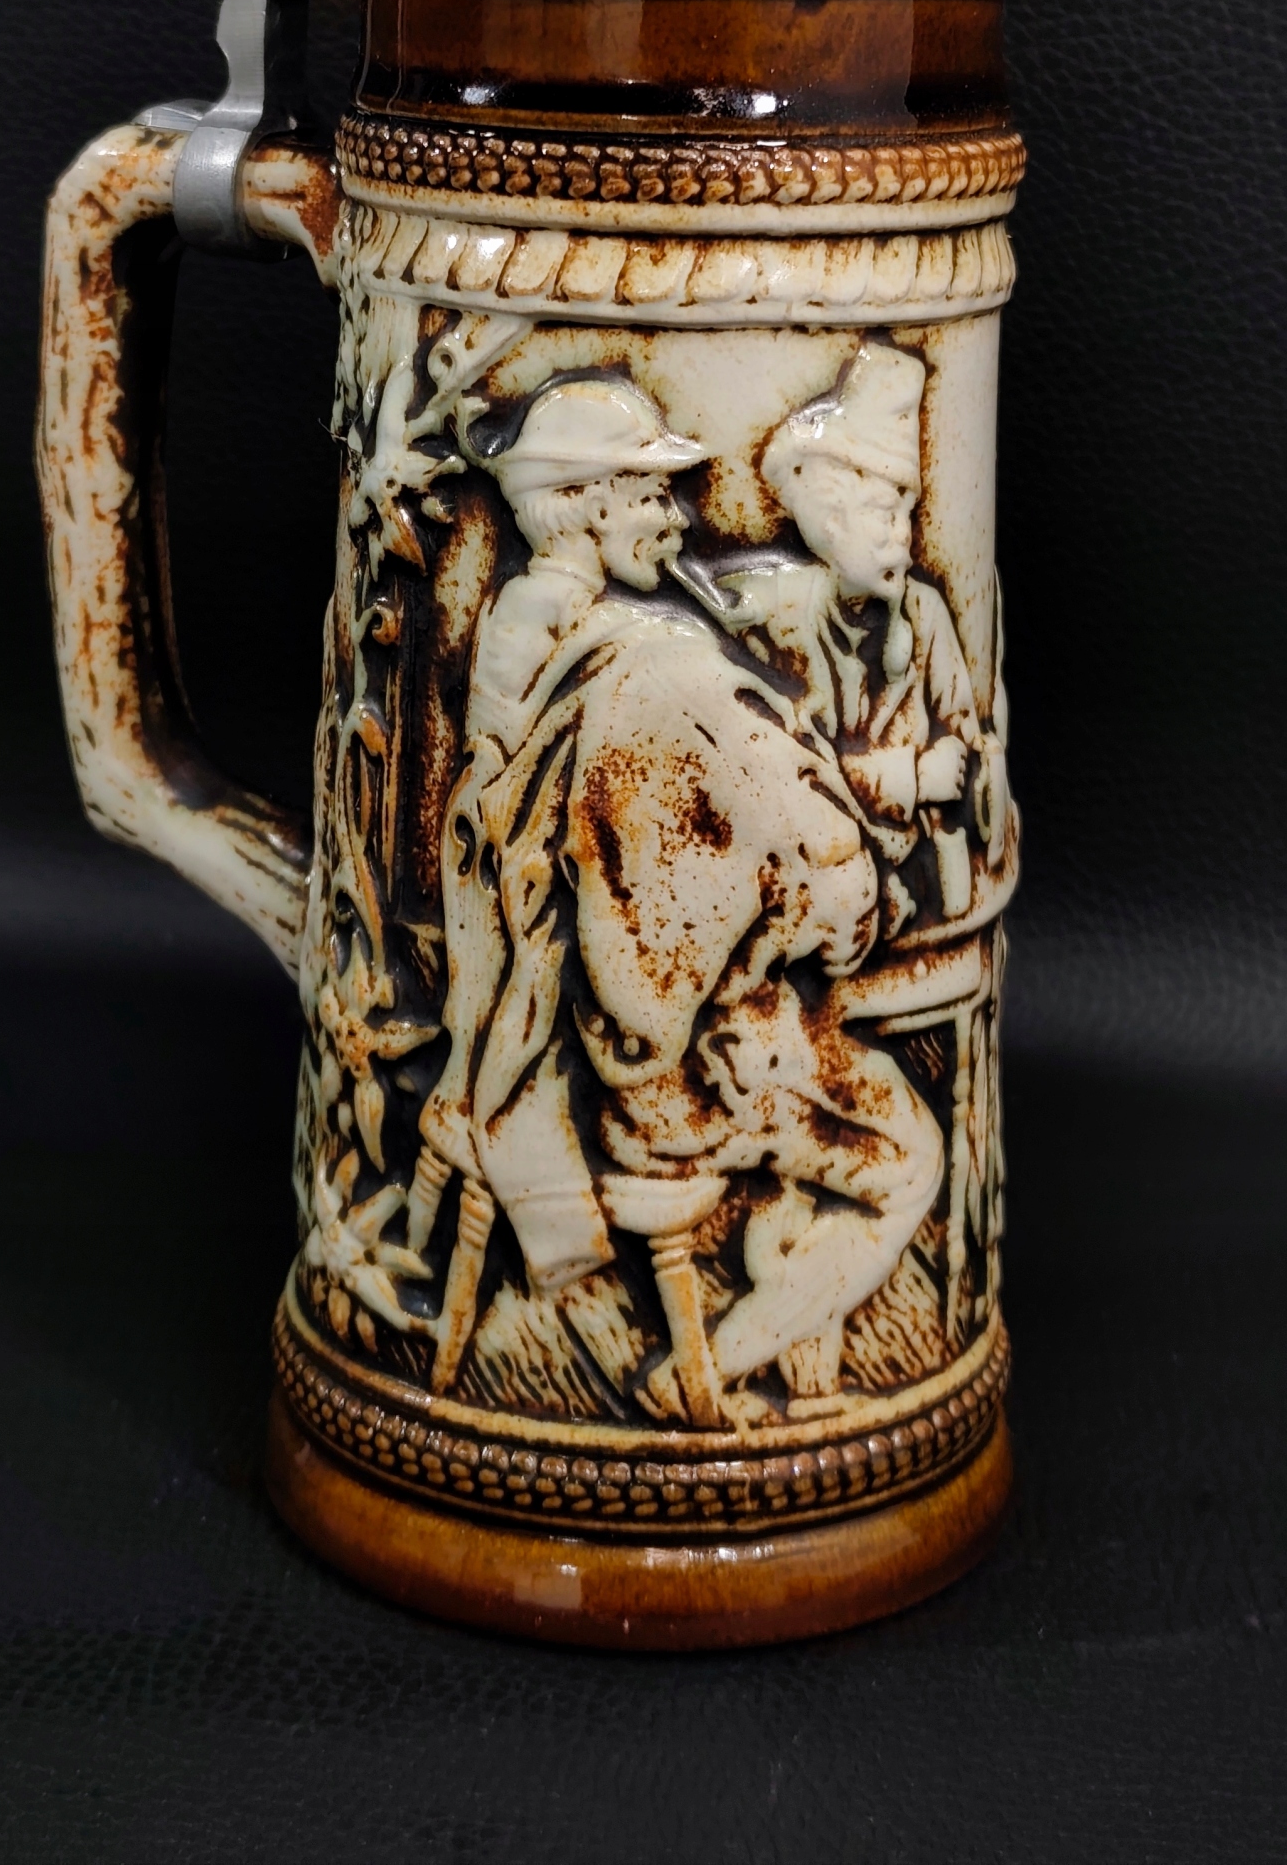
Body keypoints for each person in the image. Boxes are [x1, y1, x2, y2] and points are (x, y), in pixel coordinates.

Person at [405, 370, 944, 1422]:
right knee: (909, 1160)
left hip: (523, 1027)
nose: (677, 516)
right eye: (651, 495)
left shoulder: (525, 635)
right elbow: (826, 870)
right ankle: (713, 1369)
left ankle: (738, 1317)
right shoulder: (660, 676)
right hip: (670, 1071)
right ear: (583, 505)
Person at [718, 342, 1009, 934]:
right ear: (830, 520)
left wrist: (970, 768)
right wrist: (911, 778)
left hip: (917, 894)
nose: (904, 537)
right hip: (806, 901)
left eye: (909, 516)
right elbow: (789, 779)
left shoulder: (923, 615)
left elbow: (965, 733)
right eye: (883, 515)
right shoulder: (774, 620)